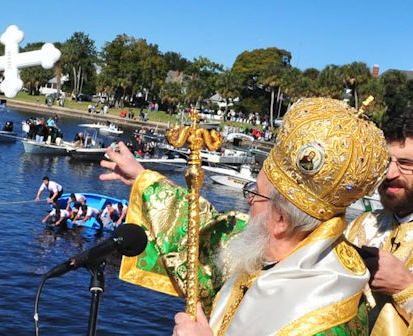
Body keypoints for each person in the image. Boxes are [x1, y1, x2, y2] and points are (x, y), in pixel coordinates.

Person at [100, 98, 390, 335]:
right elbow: (210, 229)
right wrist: (143, 178)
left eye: (254, 192)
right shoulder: (287, 251)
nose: (247, 202)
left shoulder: (323, 320)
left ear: (280, 222)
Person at [346, 107, 413, 335]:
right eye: (385, 161)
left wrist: (406, 288)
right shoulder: (362, 225)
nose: (389, 173)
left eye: (406, 163)